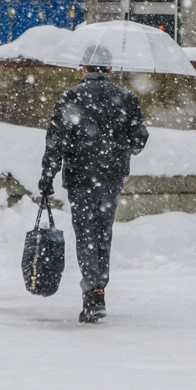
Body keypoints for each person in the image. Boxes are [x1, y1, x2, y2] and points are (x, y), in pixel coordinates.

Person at [39, 38, 149, 323]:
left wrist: (47, 176)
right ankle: (99, 287)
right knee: (103, 233)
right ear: (110, 68)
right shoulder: (125, 98)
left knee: (86, 234)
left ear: (84, 66)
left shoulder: (70, 98)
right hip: (111, 177)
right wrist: (118, 144)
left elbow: (56, 142)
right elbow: (139, 140)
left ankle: (93, 293)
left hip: (79, 177)